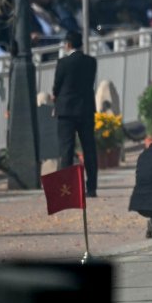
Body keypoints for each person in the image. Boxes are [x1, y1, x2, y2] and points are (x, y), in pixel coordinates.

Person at [52, 30, 99, 197]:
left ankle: (67, 189)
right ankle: (92, 187)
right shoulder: (91, 62)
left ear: (68, 44)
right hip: (85, 109)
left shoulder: (63, 63)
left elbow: (57, 85)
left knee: (67, 149)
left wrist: (55, 97)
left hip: (66, 110)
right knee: (89, 148)